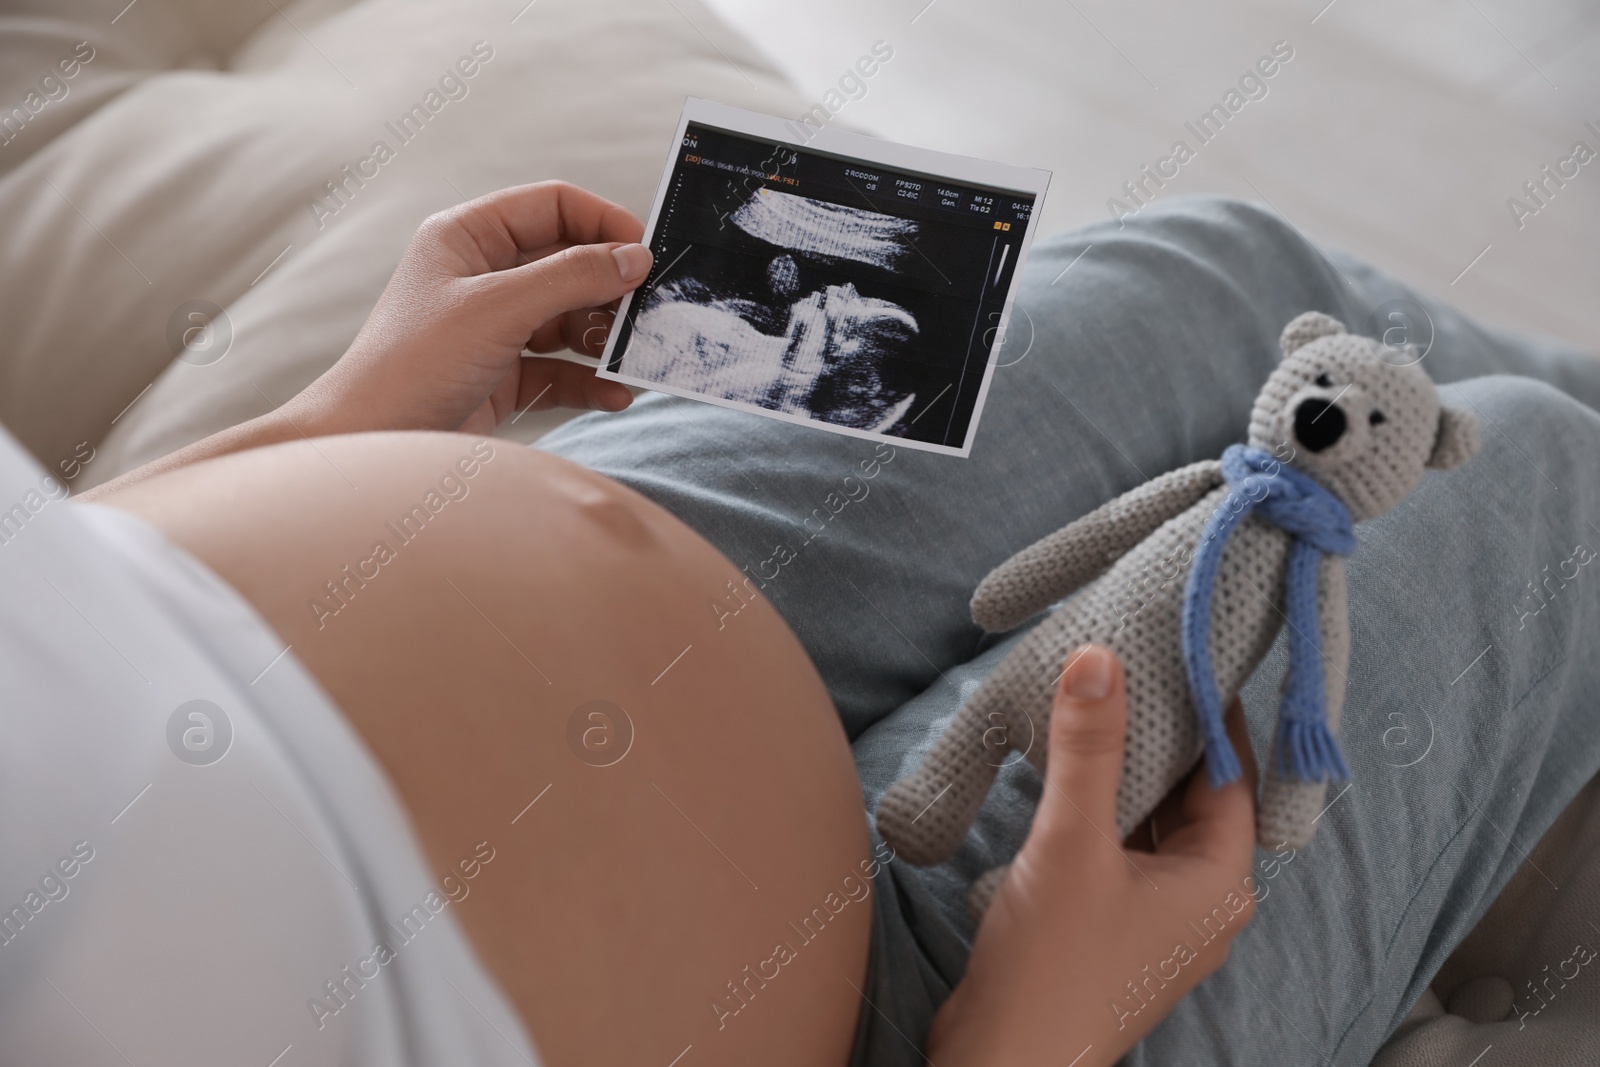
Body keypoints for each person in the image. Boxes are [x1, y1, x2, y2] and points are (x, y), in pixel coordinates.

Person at [4, 181, 1596, 1066]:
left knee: (1231, 267)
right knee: (1529, 480)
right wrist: (1028, 1046)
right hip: (907, 1016)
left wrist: (327, 427)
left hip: (476, 553)